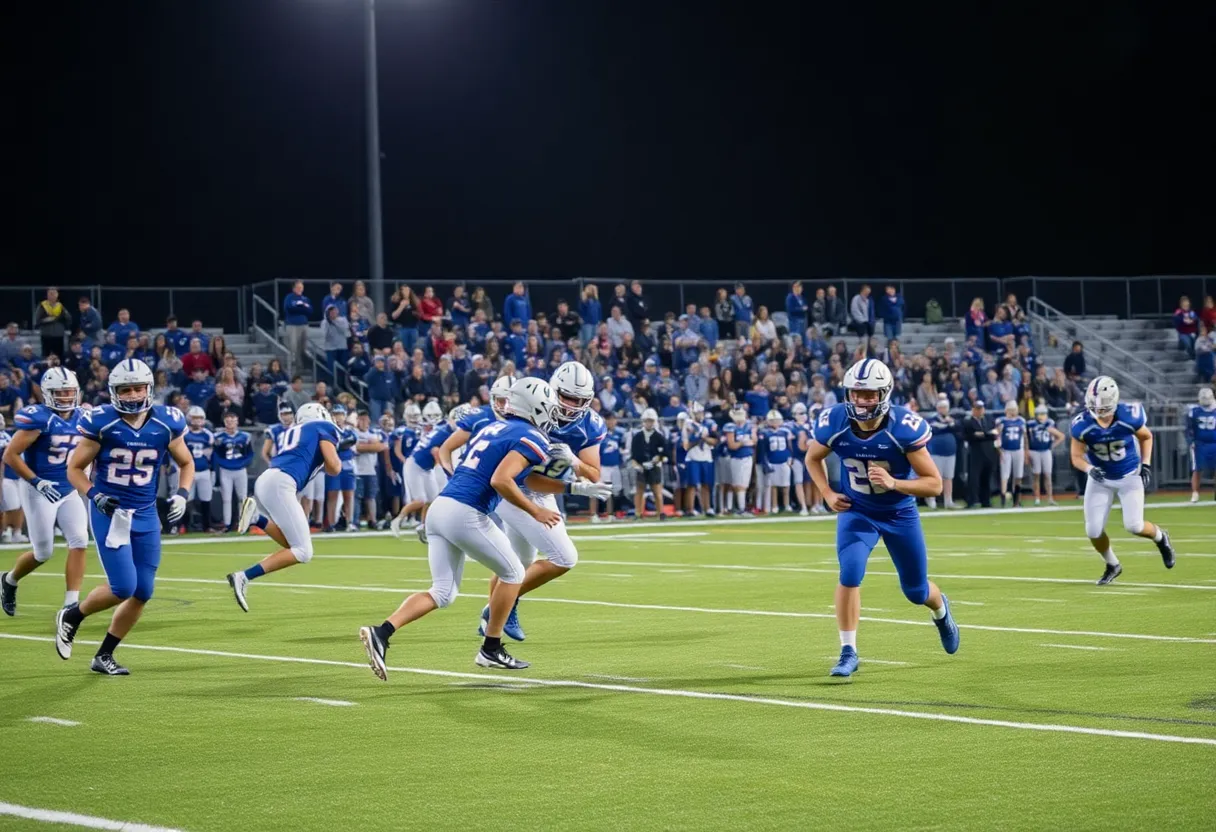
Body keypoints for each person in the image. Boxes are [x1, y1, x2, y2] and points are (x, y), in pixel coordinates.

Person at [358, 379, 564, 677]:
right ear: (535, 407)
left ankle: (382, 632)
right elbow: (501, 480)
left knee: (443, 592)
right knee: (515, 573)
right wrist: (536, 510)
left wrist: (569, 484)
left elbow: (509, 474)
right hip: (465, 512)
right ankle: (491, 648)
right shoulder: (530, 435)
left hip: (440, 508)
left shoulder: (492, 427)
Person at [805, 358, 959, 678]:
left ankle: (941, 610)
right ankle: (848, 651)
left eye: (869, 394)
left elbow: (934, 483)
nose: (862, 401)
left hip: (899, 513)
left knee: (916, 591)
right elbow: (812, 458)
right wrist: (827, 493)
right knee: (850, 572)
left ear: (884, 394)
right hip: (857, 510)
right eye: (856, 393)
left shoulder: (902, 427)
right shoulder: (835, 421)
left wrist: (894, 483)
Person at [58, 359, 194, 675]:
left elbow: (186, 463)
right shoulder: (102, 422)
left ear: (149, 388)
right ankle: (72, 615)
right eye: (125, 389)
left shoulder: (167, 421)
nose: (133, 395)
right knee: (123, 587)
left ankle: (104, 655)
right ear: (113, 392)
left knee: (143, 591)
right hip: (112, 512)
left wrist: (182, 493)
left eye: (138, 388)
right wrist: (94, 494)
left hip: (146, 513)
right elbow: (74, 469)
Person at [475, 363, 608, 642]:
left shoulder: (590, 425)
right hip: (512, 488)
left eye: (580, 400)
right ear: (554, 390)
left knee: (520, 562)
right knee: (564, 557)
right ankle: (500, 608)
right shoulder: (535, 406)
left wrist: (574, 461)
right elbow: (520, 474)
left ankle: (495, 617)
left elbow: (594, 474)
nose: (572, 406)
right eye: (567, 397)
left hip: (544, 490)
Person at [225, 403, 347, 611]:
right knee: (303, 552)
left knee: (293, 545)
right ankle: (243, 576)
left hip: (269, 479)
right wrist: (337, 454)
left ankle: (257, 519)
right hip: (282, 483)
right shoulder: (323, 427)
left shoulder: (295, 430)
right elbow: (334, 468)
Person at [1069, 376, 1176, 585]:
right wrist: (1089, 469)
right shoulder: (1082, 424)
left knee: (1134, 526)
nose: (1099, 411)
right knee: (1093, 530)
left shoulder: (1128, 416)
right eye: (1095, 406)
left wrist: (1146, 464)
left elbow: (1147, 437)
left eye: (1103, 406)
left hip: (1129, 475)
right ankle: (1112, 564)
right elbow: (1076, 456)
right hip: (1101, 477)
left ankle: (1161, 538)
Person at [0, 368, 88, 615]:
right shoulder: (40, 418)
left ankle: (71, 603)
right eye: (60, 392)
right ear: (48, 393)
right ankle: (10, 580)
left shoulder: (83, 417)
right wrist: (37, 481)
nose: (66, 397)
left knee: (80, 540)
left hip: (68, 489)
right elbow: (10, 455)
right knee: (43, 552)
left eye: (69, 391)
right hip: (39, 489)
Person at [213, 410, 254, 532]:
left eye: (232, 421)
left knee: (243, 498)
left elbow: (250, 453)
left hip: (240, 469)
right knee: (226, 498)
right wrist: (224, 464)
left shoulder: (245, 436)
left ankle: (244, 524)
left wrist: (243, 463)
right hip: (226, 469)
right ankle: (227, 524)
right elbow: (216, 454)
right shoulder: (218, 437)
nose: (230, 424)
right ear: (224, 422)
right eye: (228, 421)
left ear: (237, 422)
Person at [324, 403, 360, 532]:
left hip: (348, 465)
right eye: (335, 414)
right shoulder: (328, 430)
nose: (338, 417)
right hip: (333, 464)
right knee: (332, 494)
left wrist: (339, 446)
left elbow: (351, 443)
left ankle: (350, 522)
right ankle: (331, 523)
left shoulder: (349, 431)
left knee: (348, 494)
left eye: (340, 414)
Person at [180, 406, 216, 532]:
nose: (197, 421)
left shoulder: (208, 435)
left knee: (206, 499)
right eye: (194, 418)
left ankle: (207, 526)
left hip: (204, 470)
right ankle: (184, 526)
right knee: (186, 499)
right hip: (188, 471)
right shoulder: (184, 434)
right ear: (189, 419)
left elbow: (212, 455)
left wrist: (213, 470)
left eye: (199, 418)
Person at [680, 401, 717, 517]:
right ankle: (690, 509)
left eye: (701, 412)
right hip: (693, 457)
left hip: (706, 457)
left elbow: (715, 441)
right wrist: (696, 439)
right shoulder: (688, 425)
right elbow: (685, 446)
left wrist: (704, 438)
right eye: (697, 413)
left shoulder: (709, 423)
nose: (700, 415)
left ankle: (707, 508)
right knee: (692, 485)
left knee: (706, 484)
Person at [631, 408, 668, 519]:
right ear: (643, 421)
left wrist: (658, 459)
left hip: (655, 466)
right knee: (639, 490)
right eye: (647, 421)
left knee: (657, 490)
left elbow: (665, 454)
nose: (649, 423)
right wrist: (638, 466)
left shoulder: (659, 436)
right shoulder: (637, 437)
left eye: (651, 421)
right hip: (641, 466)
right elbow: (634, 455)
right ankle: (638, 513)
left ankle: (660, 513)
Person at [1027, 403, 1065, 506]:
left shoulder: (1049, 423)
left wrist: (1052, 446)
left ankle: (1050, 498)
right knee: (1036, 475)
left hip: (1045, 450)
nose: (1041, 416)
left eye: (1043, 414)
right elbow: (1027, 438)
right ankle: (1037, 498)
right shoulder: (1031, 424)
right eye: (1039, 414)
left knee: (1048, 475)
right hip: (1034, 450)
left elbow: (1061, 436)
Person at [757, 409, 793, 514]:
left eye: (777, 420)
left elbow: (789, 446)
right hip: (772, 461)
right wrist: (766, 463)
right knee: (773, 486)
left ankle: (787, 505)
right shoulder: (764, 433)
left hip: (784, 461)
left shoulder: (785, 432)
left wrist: (790, 457)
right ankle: (774, 505)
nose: (775, 422)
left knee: (786, 485)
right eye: (772, 420)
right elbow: (762, 450)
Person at [0, 414, 29, 544]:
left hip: (19, 475)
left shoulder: (9, 434)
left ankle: (17, 532)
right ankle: (6, 531)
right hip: (6, 475)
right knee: (11, 505)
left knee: (20, 505)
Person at [721, 404, 755, 515]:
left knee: (743, 484)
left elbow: (754, 441)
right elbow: (732, 445)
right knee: (736, 484)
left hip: (747, 456)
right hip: (735, 457)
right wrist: (742, 442)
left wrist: (744, 442)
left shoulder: (749, 425)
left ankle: (738, 508)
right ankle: (738, 508)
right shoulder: (730, 426)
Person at [925, 399, 959, 509]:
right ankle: (931, 499)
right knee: (935, 477)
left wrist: (950, 423)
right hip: (936, 452)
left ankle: (948, 500)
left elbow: (957, 427)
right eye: (942, 407)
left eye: (945, 407)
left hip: (950, 452)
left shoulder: (952, 420)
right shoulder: (932, 419)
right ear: (938, 408)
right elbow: (936, 429)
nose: (944, 410)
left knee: (948, 477)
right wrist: (948, 425)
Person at [962, 401, 997, 507]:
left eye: (981, 408)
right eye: (977, 409)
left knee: (986, 477)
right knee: (974, 478)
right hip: (975, 453)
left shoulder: (988, 420)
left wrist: (983, 435)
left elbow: (993, 435)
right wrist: (986, 435)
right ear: (973, 410)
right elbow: (970, 436)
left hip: (988, 452)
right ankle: (972, 500)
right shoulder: (968, 422)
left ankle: (986, 500)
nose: (980, 411)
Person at [1186, 387, 1216, 502]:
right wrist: (1191, 441)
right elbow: (1189, 429)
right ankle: (1195, 493)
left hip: (1214, 443)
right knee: (1197, 469)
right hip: (1200, 444)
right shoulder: (1194, 411)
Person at [995, 400, 1027, 508]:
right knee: (1005, 475)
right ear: (1006, 410)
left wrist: (1026, 450)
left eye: (1014, 410)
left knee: (1018, 475)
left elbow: (1025, 437)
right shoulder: (1001, 421)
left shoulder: (1021, 420)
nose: (1013, 412)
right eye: (1011, 410)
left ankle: (1016, 500)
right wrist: (999, 449)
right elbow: (997, 435)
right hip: (1006, 450)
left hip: (1018, 450)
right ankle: (1003, 500)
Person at [283, 281, 313, 374]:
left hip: (304, 324)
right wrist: (302, 307)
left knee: (303, 348)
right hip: (292, 325)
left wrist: (301, 307)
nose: (300, 289)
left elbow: (310, 310)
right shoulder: (289, 297)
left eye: (301, 287)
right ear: (294, 288)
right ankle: (292, 369)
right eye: (298, 287)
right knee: (293, 347)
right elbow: (289, 308)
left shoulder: (305, 298)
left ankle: (301, 367)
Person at [36, 287, 72, 359]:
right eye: (50, 293)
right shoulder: (42, 305)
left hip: (58, 336)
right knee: (46, 356)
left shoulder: (60, 306)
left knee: (59, 356)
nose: (52, 295)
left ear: (57, 295)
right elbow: (38, 320)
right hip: (46, 335)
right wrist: (48, 320)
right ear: (47, 295)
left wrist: (59, 319)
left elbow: (68, 318)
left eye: (54, 293)